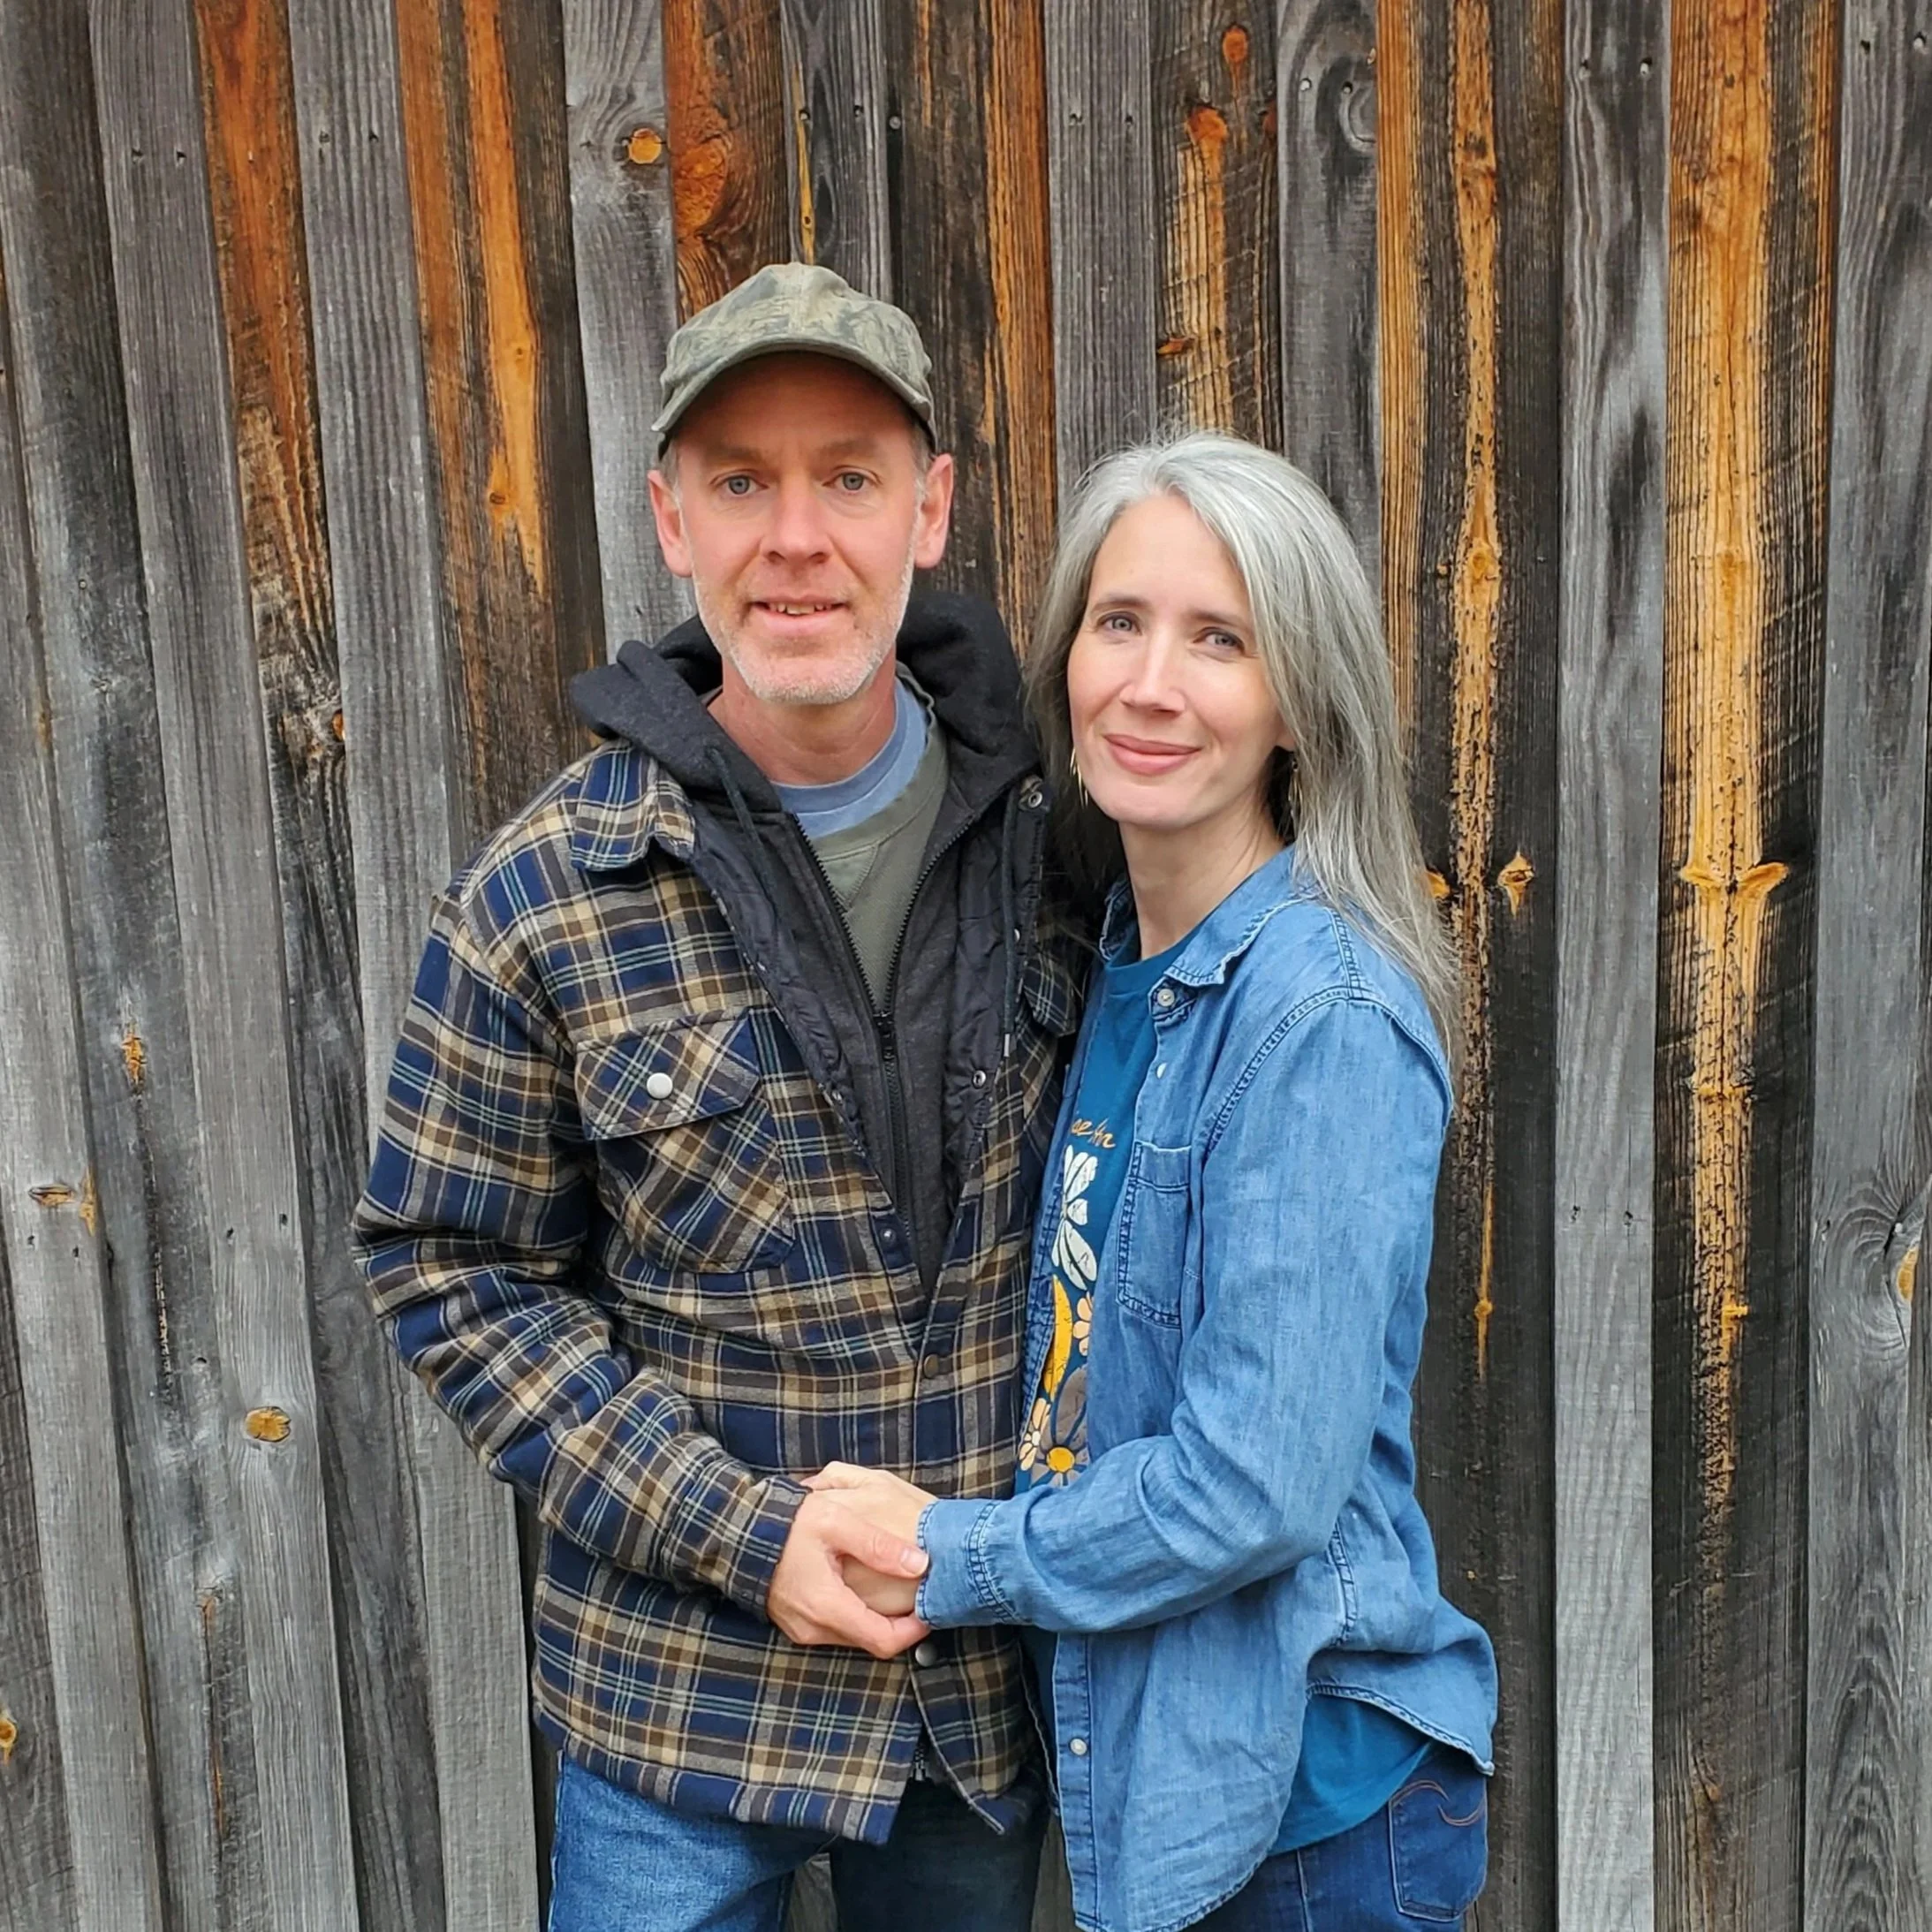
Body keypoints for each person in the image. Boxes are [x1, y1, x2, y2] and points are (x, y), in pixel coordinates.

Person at [351, 262, 1086, 1932]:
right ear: (671, 521)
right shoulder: (548, 889)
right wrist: (736, 1529)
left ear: (929, 507)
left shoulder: (1065, 848)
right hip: (673, 1713)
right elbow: (445, 1261)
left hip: (974, 1701)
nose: (795, 537)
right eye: (741, 482)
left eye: (847, 475)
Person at [812, 432, 1499, 1932]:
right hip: (1175, 1772)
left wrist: (951, 1549)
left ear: (1294, 705)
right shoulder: (1117, 961)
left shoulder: (1317, 1017)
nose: (1150, 682)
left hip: (1310, 1814)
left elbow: (1251, 1480)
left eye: (1219, 639)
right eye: (1119, 622)